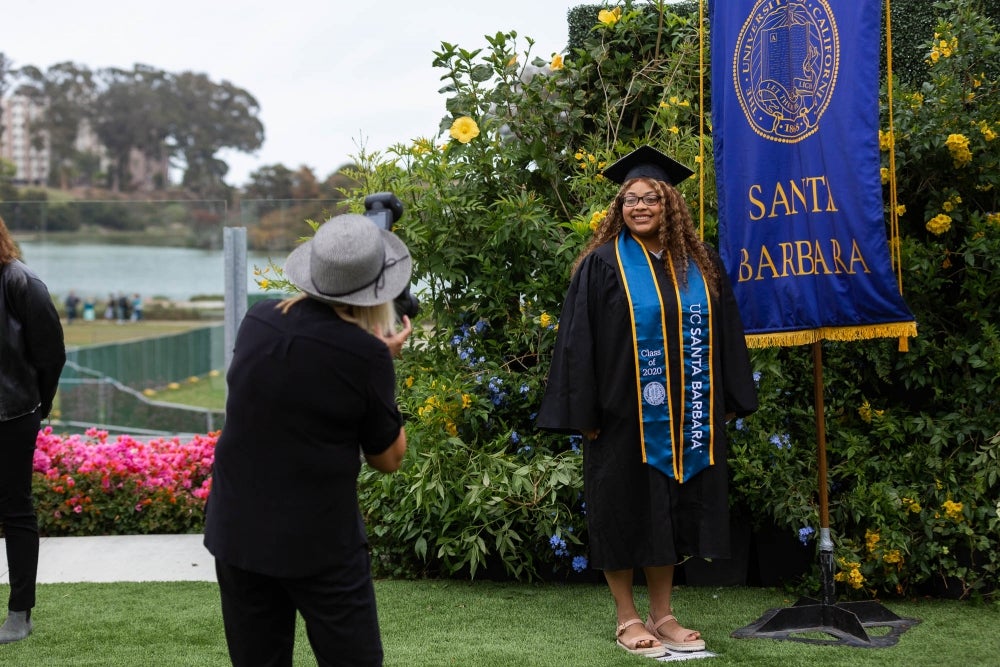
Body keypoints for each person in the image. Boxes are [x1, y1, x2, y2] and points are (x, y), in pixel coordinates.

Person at [536, 145, 758, 657]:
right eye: (630, 199)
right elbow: (577, 342)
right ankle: (627, 617)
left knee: (668, 512)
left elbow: (726, 333)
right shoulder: (601, 265)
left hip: (687, 418)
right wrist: (583, 412)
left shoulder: (699, 264)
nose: (639, 206)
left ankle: (664, 615)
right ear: (619, 207)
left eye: (650, 199)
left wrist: (725, 398)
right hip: (619, 419)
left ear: (669, 205)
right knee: (622, 511)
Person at [204, 213, 414, 667]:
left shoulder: (259, 320)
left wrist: (373, 359)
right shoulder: (366, 356)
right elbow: (389, 457)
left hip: (238, 530)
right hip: (319, 542)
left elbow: (301, 373)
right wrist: (382, 364)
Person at [0, 215, 66, 644]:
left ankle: (20, 613)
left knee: (15, 511)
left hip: (11, 416)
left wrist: (34, 408)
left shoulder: (21, 283)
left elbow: (51, 354)